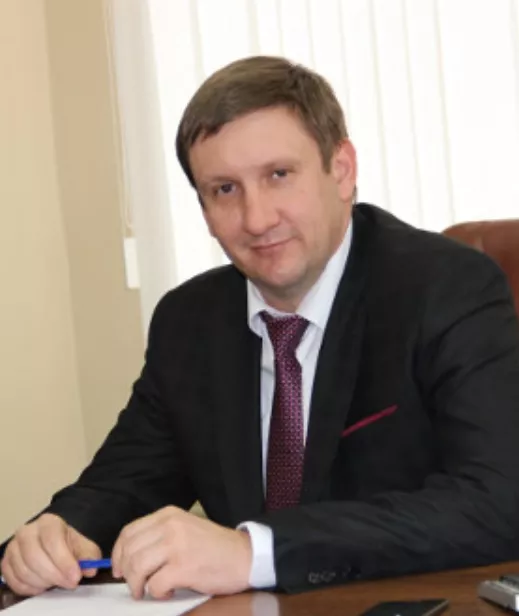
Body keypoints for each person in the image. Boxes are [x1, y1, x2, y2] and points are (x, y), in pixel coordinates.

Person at [2, 55, 519, 599]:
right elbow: (125, 480)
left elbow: (500, 499)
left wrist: (257, 552)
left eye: (279, 175)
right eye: (225, 189)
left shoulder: (444, 287)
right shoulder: (190, 320)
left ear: (342, 170)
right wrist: (60, 531)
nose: (257, 219)